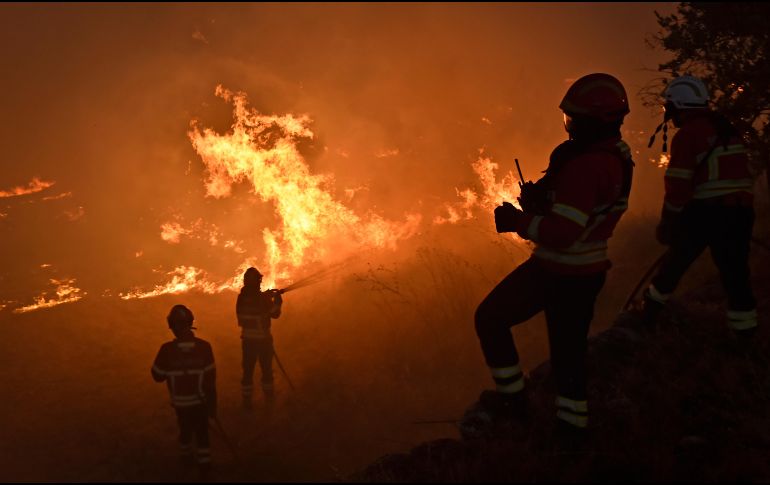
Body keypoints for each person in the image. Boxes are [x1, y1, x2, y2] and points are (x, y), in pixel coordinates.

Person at [472, 73, 634, 435]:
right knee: (558, 349)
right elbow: (579, 210)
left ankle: (561, 430)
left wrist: (519, 220)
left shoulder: (587, 165)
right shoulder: (614, 155)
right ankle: (530, 409)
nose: (570, 127)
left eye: (575, 119)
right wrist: (542, 201)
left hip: (567, 274)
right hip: (568, 268)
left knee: (523, 335)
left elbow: (563, 233)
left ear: (596, 121)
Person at [642, 75, 758, 336]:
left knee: (674, 264)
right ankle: (745, 332)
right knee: (736, 274)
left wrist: (668, 221)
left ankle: (648, 314)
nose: (669, 116)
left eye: (670, 109)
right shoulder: (727, 128)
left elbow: (677, 185)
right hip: (741, 212)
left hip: (708, 212)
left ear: (680, 106)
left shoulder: (688, 135)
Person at [152, 304, 217, 472]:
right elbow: (210, 381)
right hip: (200, 402)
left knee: (185, 431)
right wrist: (212, 406)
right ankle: (205, 469)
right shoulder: (204, 347)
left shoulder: (166, 350)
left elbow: (157, 376)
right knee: (202, 434)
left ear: (172, 327)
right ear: (191, 323)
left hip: (181, 404)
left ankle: (186, 462)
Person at [237, 267, 283, 408]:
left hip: (248, 342)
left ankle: (247, 402)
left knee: (248, 372)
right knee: (266, 371)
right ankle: (269, 401)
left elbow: (241, 318)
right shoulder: (262, 298)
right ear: (258, 281)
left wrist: (265, 296)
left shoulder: (241, 298)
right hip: (263, 341)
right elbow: (274, 314)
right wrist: (277, 302)